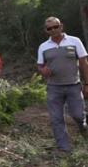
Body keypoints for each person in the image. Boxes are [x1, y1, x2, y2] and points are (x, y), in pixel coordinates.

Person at [37, 16, 88, 153]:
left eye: (56, 26)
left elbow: (83, 63)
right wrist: (43, 70)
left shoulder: (75, 41)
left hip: (74, 85)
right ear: (46, 31)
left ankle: (83, 127)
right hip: (54, 88)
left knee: (78, 115)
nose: (53, 30)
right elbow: (40, 65)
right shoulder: (43, 47)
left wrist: (86, 83)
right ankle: (64, 148)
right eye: (50, 28)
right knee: (56, 119)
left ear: (61, 26)